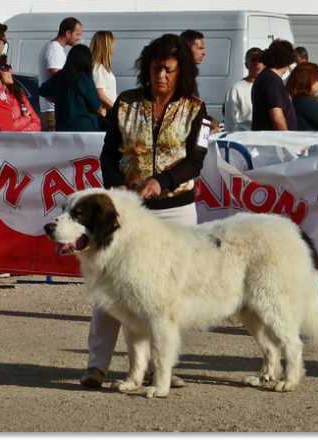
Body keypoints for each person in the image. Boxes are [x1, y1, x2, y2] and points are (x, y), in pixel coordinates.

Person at [79, 33, 209, 390]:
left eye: (168, 70)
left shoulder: (197, 108)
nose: (161, 76)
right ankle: (97, 366)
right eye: (155, 69)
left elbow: (196, 161)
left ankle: (160, 368)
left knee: (167, 295)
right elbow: (108, 153)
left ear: (181, 70)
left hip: (176, 212)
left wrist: (162, 181)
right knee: (111, 287)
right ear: (146, 68)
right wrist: (117, 181)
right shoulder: (125, 104)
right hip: (130, 212)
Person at [38, 44, 105, 131]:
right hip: (84, 129)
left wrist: (59, 101)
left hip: (62, 128)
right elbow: (95, 105)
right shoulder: (84, 78)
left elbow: (42, 91)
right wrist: (102, 111)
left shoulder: (59, 76)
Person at [38, 17, 83, 131]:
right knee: (58, 145)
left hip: (57, 108)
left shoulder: (57, 49)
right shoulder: (54, 50)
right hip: (54, 110)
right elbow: (58, 78)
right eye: (77, 34)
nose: (79, 38)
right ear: (68, 33)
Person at [251, 39, 297, 131]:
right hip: (275, 142)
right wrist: (287, 140)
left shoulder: (264, 77)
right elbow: (277, 118)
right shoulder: (272, 80)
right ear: (286, 61)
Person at [222, 47, 263, 132]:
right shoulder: (236, 89)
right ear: (246, 65)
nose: (257, 63)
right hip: (245, 140)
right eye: (253, 60)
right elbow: (230, 122)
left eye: (260, 60)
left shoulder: (269, 87)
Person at [0, 56, 41, 132]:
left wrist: (19, 134)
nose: (10, 71)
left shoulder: (19, 96)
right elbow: (5, 127)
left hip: (21, 142)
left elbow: (37, 123)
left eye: (10, 67)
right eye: (6, 67)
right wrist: (26, 119)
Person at [89, 31, 117, 115]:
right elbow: (99, 94)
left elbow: (108, 90)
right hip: (106, 112)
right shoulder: (97, 67)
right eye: (112, 43)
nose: (114, 46)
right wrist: (115, 108)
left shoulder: (103, 67)